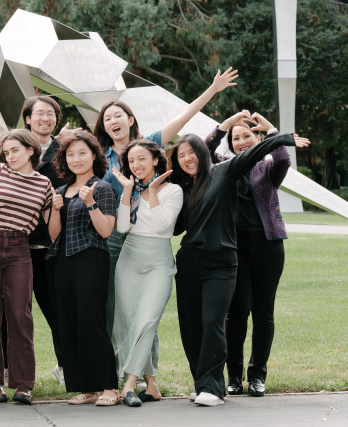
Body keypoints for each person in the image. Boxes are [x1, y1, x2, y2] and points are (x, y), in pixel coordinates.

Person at [93, 67, 240, 383]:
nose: (113, 121)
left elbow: (184, 119)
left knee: (148, 309)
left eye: (118, 115)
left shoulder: (149, 143)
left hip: (148, 236)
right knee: (115, 308)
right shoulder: (100, 155)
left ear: (130, 120)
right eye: (107, 118)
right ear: (103, 126)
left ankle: (149, 378)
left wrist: (212, 89)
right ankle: (117, 373)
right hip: (114, 237)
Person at [169, 130, 308, 406]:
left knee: (213, 321)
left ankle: (214, 386)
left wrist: (281, 139)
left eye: (191, 152)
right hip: (189, 261)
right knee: (191, 326)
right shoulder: (181, 187)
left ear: (202, 153)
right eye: (180, 155)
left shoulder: (223, 171)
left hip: (222, 259)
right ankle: (202, 383)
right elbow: (175, 227)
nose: (186, 158)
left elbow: (255, 153)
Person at [204, 111, 295, 398]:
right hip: (236, 246)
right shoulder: (223, 166)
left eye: (247, 136)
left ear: (257, 138)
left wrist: (270, 129)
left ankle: (258, 376)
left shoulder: (268, 168)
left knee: (263, 311)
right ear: (230, 143)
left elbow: (283, 158)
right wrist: (224, 126)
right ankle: (234, 376)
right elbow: (204, 150)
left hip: (268, 244)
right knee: (238, 310)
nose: (242, 141)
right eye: (236, 138)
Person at [0, 129, 53, 405]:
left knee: (20, 315)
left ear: (31, 150)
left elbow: (53, 225)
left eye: (15, 150)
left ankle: (23, 384)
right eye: (7, 152)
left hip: (20, 248)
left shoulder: (44, 184)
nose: (10, 156)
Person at [46, 131, 119, 406]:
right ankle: (86, 388)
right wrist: (54, 209)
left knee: (92, 322)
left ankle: (110, 387)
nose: (76, 159)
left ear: (94, 156)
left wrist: (90, 203)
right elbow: (54, 235)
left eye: (82, 153)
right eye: (70, 154)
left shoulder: (102, 187)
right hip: (63, 263)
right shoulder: (62, 191)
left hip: (91, 260)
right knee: (71, 323)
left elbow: (105, 230)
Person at [110, 140, 183, 407]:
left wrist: (152, 193)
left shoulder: (172, 190)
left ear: (155, 160)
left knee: (146, 322)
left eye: (141, 158)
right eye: (131, 161)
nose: (136, 165)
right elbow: (121, 228)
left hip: (158, 262)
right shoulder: (131, 189)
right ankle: (151, 385)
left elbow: (164, 227)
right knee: (130, 324)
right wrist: (127, 192)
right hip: (129, 260)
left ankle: (128, 385)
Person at [21, 95, 73, 385]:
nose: (45, 118)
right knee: (12, 312)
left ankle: (65, 366)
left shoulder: (64, 151)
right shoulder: (16, 149)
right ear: (27, 118)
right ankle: (8, 371)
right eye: (39, 113)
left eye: (50, 113)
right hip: (18, 246)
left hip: (53, 245)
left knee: (57, 308)